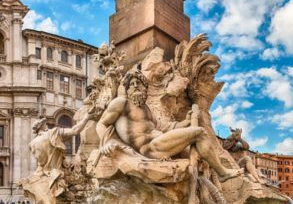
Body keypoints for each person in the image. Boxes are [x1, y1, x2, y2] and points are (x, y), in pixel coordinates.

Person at [97, 69, 243, 182]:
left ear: (145, 88)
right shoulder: (121, 103)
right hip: (148, 148)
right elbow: (102, 123)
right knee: (199, 133)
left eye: (139, 83)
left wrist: (185, 122)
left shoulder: (146, 109)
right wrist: (106, 143)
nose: (135, 86)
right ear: (127, 90)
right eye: (131, 84)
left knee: (200, 158)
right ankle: (223, 173)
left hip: (160, 143)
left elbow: (164, 128)